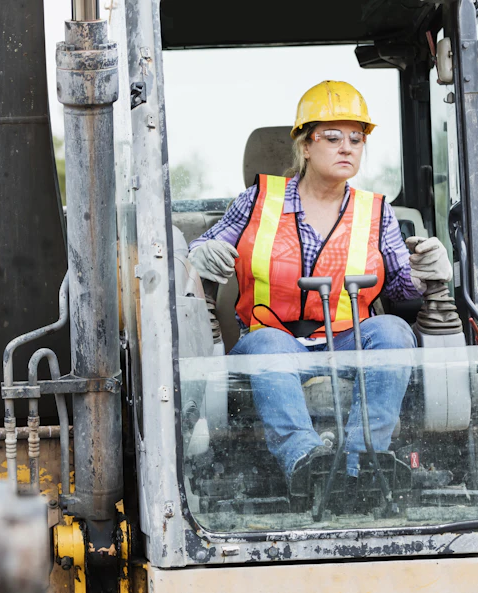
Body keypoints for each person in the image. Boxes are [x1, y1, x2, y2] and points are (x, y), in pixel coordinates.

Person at [187, 80, 453, 499]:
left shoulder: (376, 211)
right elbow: (202, 247)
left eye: (356, 138)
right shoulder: (259, 200)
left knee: (393, 333)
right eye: (332, 137)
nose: (347, 147)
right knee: (269, 346)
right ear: (305, 146)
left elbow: (403, 290)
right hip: (275, 339)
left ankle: (362, 465)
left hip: (350, 339)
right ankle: (305, 463)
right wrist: (200, 254)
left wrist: (430, 271)